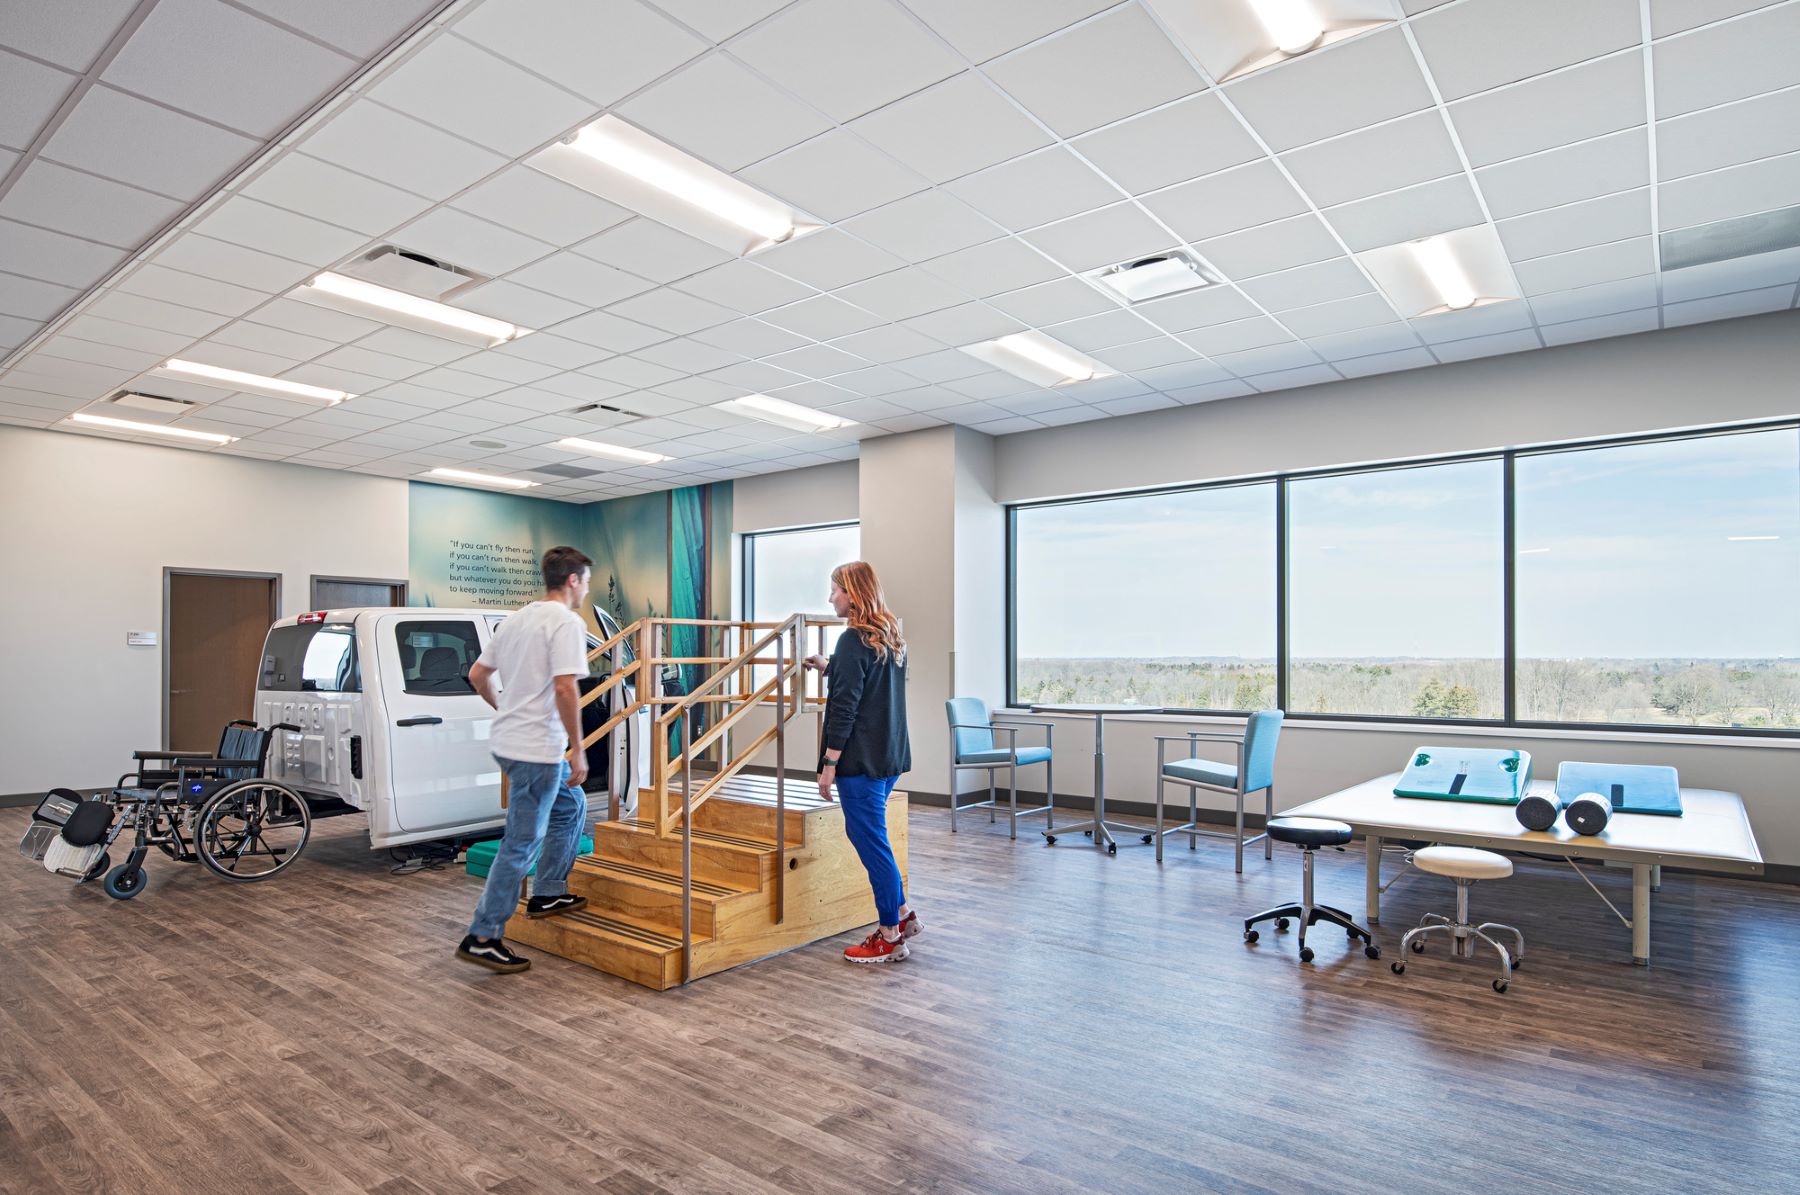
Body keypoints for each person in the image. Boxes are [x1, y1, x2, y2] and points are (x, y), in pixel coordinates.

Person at [455, 546, 595, 974]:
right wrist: (580, 747)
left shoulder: (516, 619)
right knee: (520, 843)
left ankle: (549, 890)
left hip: (512, 743)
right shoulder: (566, 623)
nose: (587, 587)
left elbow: (478, 675)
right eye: (586, 580)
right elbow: (565, 689)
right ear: (572, 580)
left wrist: (506, 710)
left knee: (571, 808)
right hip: (536, 750)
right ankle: (483, 935)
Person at [804, 561, 919, 964]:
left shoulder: (852, 640)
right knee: (874, 839)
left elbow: (846, 706)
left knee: (872, 845)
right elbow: (866, 684)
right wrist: (830, 668)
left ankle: (890, 936)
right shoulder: (888, 637)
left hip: (861, 761)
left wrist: (829, 762)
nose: (830, 597)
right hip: (889, 757)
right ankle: (903, 914)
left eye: (834, 590)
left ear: (853, 593)